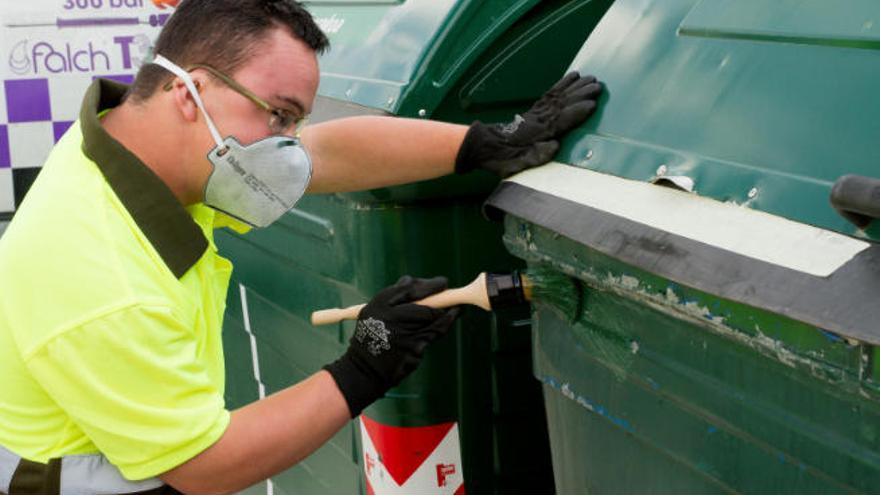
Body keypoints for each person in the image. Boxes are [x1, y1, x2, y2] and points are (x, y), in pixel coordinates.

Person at [0, 1, 602, 494]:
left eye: (296, 121)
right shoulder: (104, 276)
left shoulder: (133, 144)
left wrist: (489, 141)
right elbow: (205, 465)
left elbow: (328, 153)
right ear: (191, 92)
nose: (290, 145)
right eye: (280, 116)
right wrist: (365, 364)